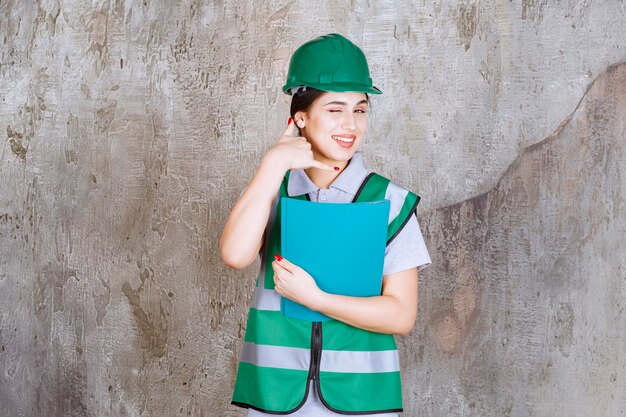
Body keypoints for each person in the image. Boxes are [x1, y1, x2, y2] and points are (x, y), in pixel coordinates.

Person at [220, 33, 431, 416]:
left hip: (361, 399)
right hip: (276, 395)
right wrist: (272, 165)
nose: (351, 124)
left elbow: (401, 315)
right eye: (335, 109)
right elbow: (235, 255)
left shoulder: (391, 202)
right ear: (300, 117)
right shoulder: (272, 189)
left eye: (360, 109)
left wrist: (316, 299)